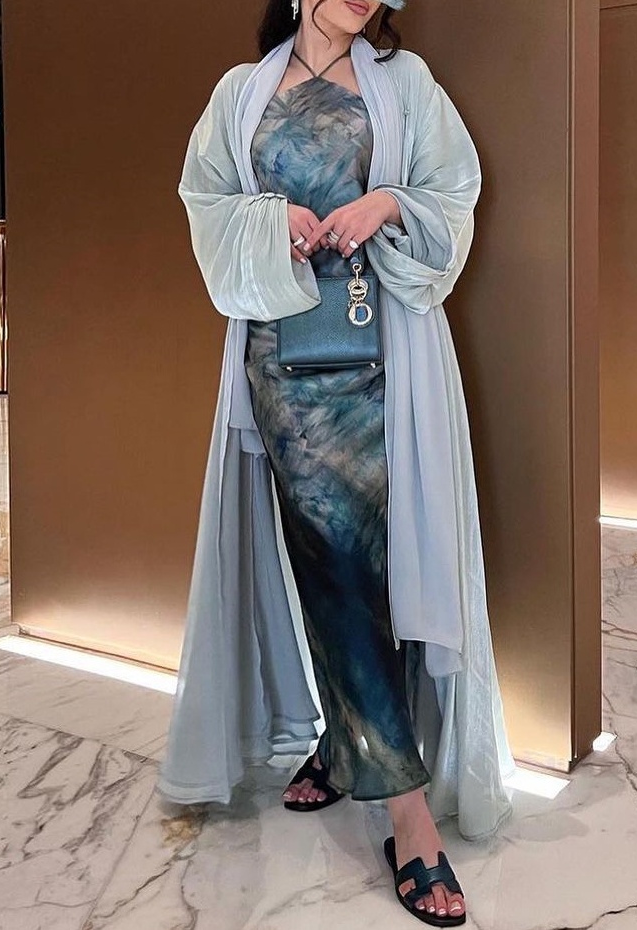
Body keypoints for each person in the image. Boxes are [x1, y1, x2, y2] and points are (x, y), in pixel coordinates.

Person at [157, 0, 515, 925]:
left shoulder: (404, 83)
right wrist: (272, 219)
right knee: (329, 568)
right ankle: (407, 818)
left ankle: (347, 749)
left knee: (378, 573)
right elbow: (204, 204)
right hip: (282, 369)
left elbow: (453, 191)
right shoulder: (241, 93)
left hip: (385, 363)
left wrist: (384, 202)